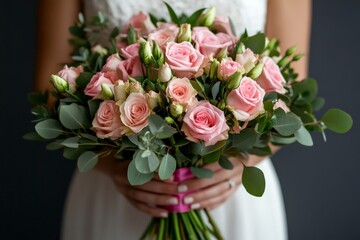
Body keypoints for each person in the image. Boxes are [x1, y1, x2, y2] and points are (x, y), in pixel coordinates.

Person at [35, 0, 311, 239]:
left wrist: (241, 164)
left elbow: (290, 86)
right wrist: (112, 165)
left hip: (229, 192)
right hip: (117, 188)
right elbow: (50, 81)